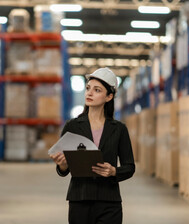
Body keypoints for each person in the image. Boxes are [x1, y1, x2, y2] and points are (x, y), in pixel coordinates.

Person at [50, 67, 135, 224]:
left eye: (97, 90)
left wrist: (114, 171)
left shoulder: (119, 129)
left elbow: (130, 167)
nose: (89, 93)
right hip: (79, 199)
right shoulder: (72, 127)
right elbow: (63, 170)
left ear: (109, 96)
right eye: (88, 88)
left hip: (109, 201)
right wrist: (62, 166)